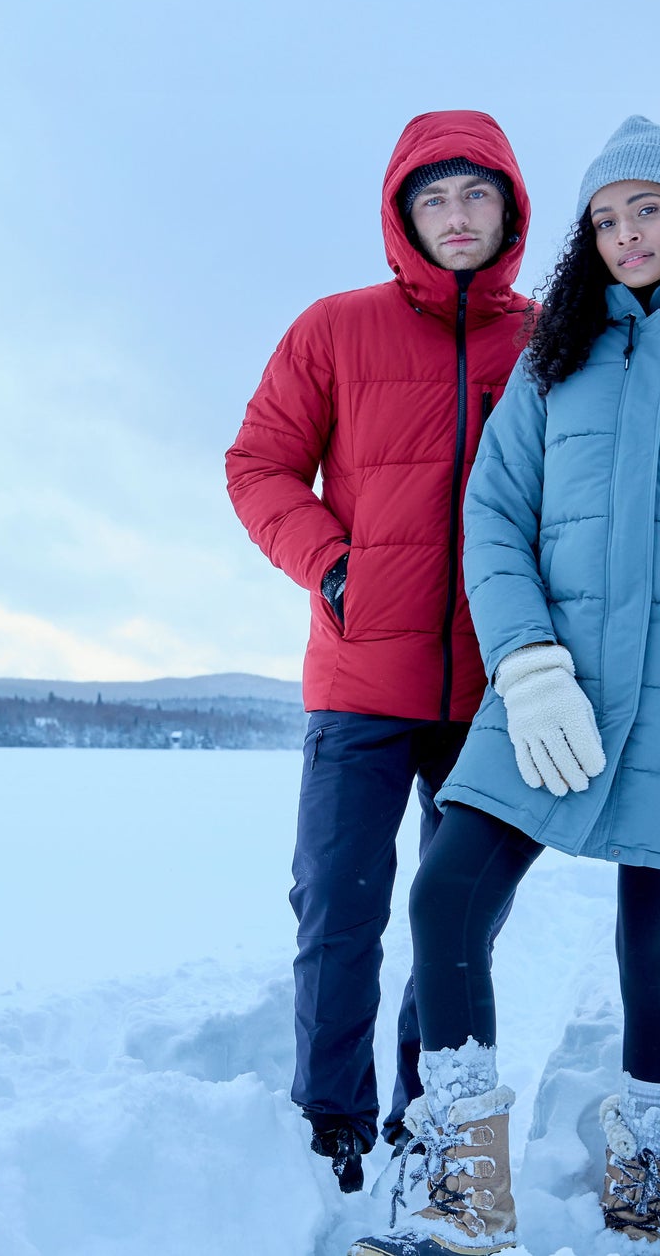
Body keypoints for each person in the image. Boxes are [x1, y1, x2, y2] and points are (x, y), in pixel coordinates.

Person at [354, 116, 660, 1255]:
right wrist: (524, 664)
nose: (626, 235)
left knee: (652, 945)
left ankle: (650, 1182)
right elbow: (494, 517)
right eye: (606, 219)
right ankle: (463, 1190)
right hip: (550, 699)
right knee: (445, 894)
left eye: (648, 211)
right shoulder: (552, 361)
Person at [226, 111, 536, 1192]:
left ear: (510, 210)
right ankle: (330, 1113)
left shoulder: (550, 344)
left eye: (476, 197)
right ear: (406, 215)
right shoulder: (335, 329)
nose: (456, 217)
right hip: (361, 681)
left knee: (458, 917)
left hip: (496, 688)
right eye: (434, 200)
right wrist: (333, 564)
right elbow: (258, 466)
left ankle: (426, 1106)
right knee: (339, 900)